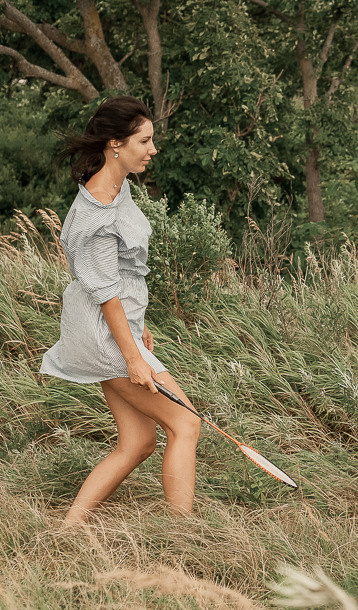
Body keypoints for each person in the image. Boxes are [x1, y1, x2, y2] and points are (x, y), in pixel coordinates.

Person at [40, 96, 201, 526]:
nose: (153, 149)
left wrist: (139, 324)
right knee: (186, 424)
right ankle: (183, 536)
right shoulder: (93, 218)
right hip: (102, 337)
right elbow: (105, 295)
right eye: (145, 141)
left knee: (137, 442)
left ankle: (68, 528)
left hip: (117, 329)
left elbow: (126, 272)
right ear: (116, 144)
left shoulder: (119, 184)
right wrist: (133, 357)